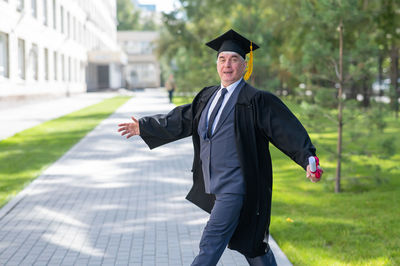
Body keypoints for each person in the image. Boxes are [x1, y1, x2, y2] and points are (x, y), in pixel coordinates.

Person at [118, 29, 323, 266]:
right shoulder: (208, 96)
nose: (227, 65)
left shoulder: (256, 100)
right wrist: (144, 127)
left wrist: (308, 158)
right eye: (222, 59)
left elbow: (286, 130)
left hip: (237, 188)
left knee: (210, 243)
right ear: (217, 64)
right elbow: (181, 119)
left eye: (234, 59)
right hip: (212, 186)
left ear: (245, 66)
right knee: (252, 246)